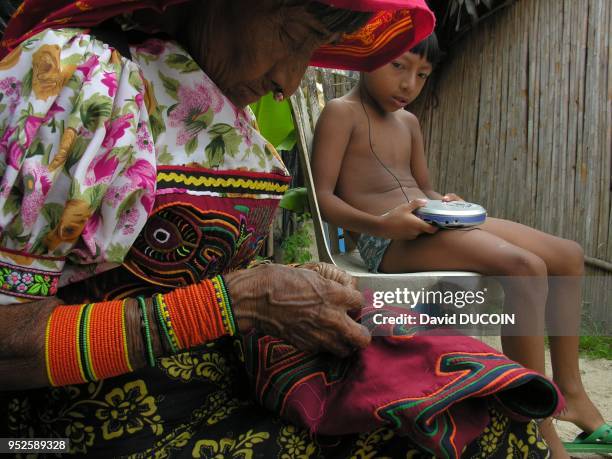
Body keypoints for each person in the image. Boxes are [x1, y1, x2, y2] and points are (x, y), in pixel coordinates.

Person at [0, 1, 558, 457]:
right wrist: (230, 304)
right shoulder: (78, 79)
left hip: (218, 388)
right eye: (295, 35)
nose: (289, 82)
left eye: (312, 51)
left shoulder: (209, 93)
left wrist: (281, 284)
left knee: (491, 419)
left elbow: (184, 269)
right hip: (74, 431)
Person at [312, 32, 609, 457]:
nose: (409, 84)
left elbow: (422, 187)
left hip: (431, 221)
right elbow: (324, 201)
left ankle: (571, 391)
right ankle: (532, 423)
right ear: (368, 54)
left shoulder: (409, 123)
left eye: (422, 75)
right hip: (387, 241)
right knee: (524, 267)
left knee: (567, 255)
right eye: (399, 66)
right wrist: (384, 224)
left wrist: (442, 202)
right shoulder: (341, 114)